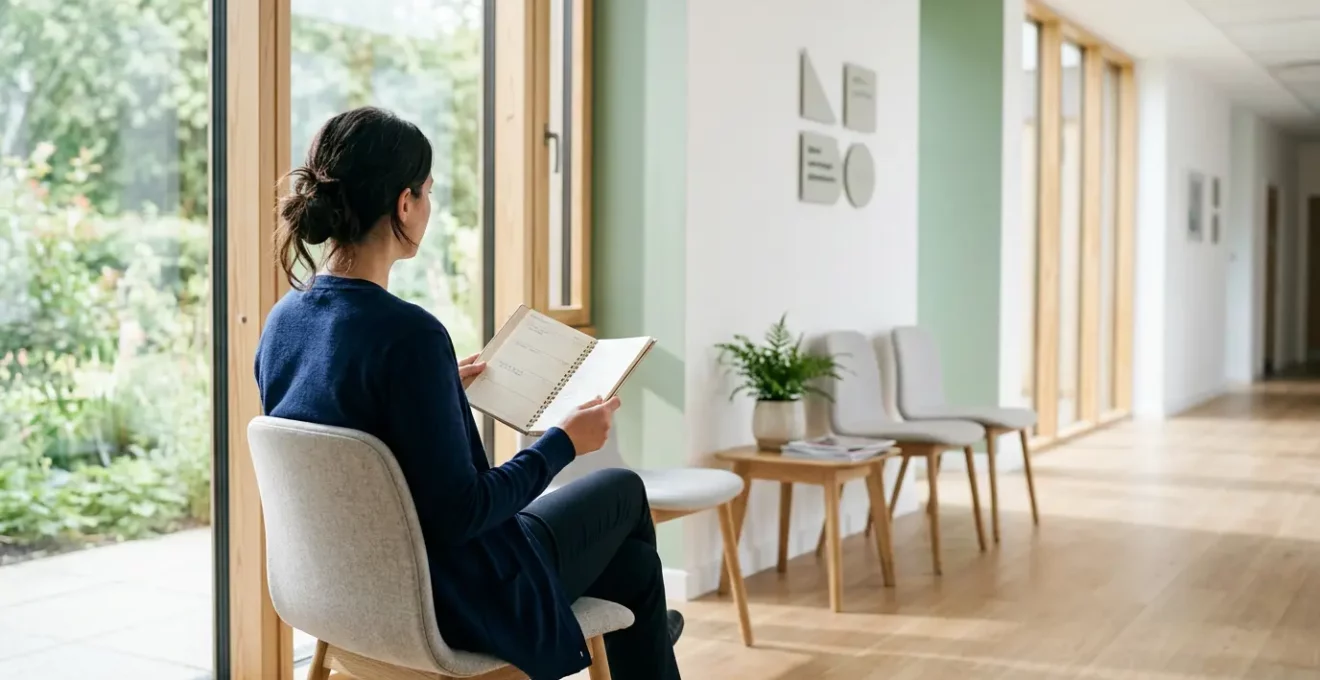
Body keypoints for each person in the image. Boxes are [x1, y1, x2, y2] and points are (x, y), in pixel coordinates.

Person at [255, 107, 682, 680]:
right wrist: (563, 443)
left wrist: (436, 389)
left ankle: (644, 622)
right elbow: (465, 513)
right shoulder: (410, 336)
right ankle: (642, 628)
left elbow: (344, 436)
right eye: (427, 192)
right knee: (622, 490)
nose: (428, 207)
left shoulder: (283, 321)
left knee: (632, 571)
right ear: (404, 203)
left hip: (347, 596)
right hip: (451, 599)